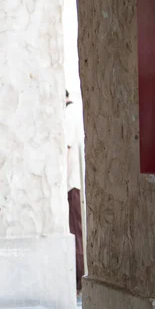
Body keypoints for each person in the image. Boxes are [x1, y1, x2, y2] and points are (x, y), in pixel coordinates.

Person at [65, 90, 85, 293]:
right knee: (78, 230)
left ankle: (79, 279)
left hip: (72, 183)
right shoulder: (75, 112)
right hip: (77, 182)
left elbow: (67, 149)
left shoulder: (68, 113)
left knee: (75, 230)